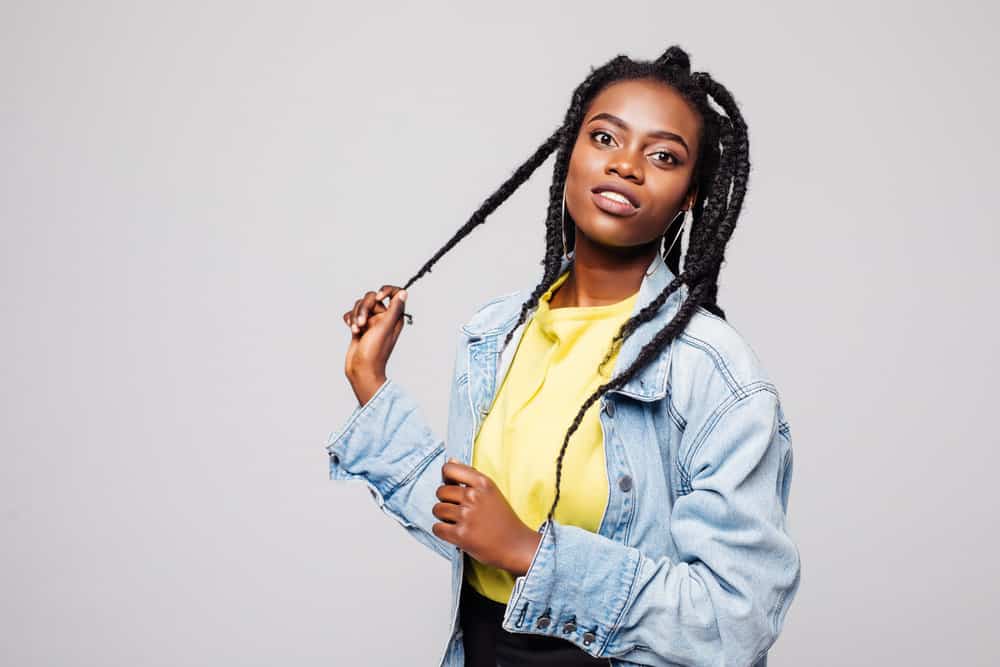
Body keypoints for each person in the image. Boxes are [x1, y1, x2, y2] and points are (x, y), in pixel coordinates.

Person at [329, 45, 802, 667]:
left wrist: (532, 551)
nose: (626, 166)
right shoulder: (497, 334)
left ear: (690, 195)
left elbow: (733, 620)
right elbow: (468, 522)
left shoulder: (715, 375)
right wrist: (370, 380)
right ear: (570, 154)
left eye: (663, 156)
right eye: (605, 137)